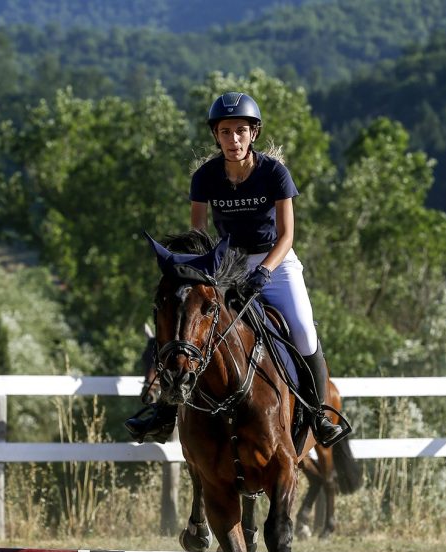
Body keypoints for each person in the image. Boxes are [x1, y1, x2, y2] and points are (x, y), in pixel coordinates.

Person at [127, 91, 346, 447]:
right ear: (216, 136)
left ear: (253, 134)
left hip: (276, 261)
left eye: (241, 131)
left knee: (304, 331)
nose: (234, 140)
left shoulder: (274, 172)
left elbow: (288, 235)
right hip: (226, 265)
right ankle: (166, 411)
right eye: (226, 132)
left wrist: (263, 274)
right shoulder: (205, 177)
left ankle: (318, 415)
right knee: (189, 329)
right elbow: (199, 237)